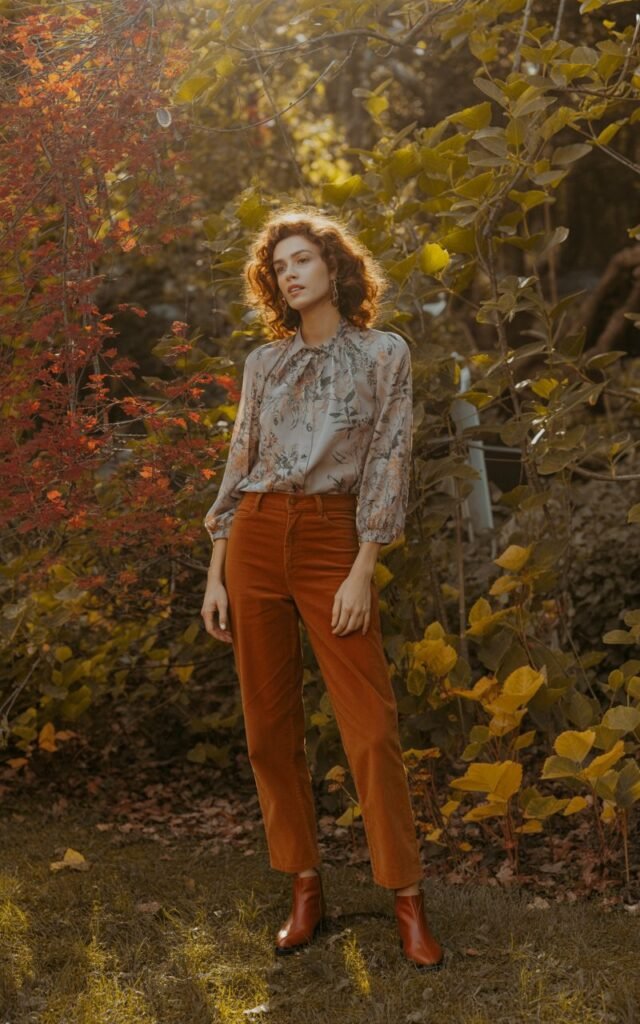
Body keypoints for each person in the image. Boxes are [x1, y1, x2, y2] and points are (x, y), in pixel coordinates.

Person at [200, 207, 444, 971]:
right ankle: (304, 887)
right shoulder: (262, 365)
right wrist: (217, 571)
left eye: (304, 260)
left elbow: (389, 460)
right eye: (280, 268)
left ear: (335, 269)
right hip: (255, 540)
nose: (292, 274)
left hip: (336, 539)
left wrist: (363, 567)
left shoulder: (383, 354)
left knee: (369, 729)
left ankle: (406, 899)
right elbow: (241, 462)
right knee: (270, 729)